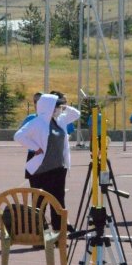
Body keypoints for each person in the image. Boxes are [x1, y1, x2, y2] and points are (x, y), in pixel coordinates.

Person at [14, 92, 80, 231]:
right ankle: (37, 235)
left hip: (58, 169)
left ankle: (58, 235)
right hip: (40, 171)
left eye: (58, 106)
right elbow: (19, 136)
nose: (58, 109)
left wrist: (64, 105)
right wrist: (35, 148)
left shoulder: (60, 120)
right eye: (56, 106)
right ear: (47, 106)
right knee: (39, 204)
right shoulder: (37, 122)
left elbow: (76, 114)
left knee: (58, 203)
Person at [20, 92, 44, 179]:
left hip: (48, 155)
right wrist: (35, 147)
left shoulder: (53, 119)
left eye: (40, 100)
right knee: (34, 185)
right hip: (33, 154)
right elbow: (20, 136)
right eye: (35, 101)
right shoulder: (30, 118)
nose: (37, 103)